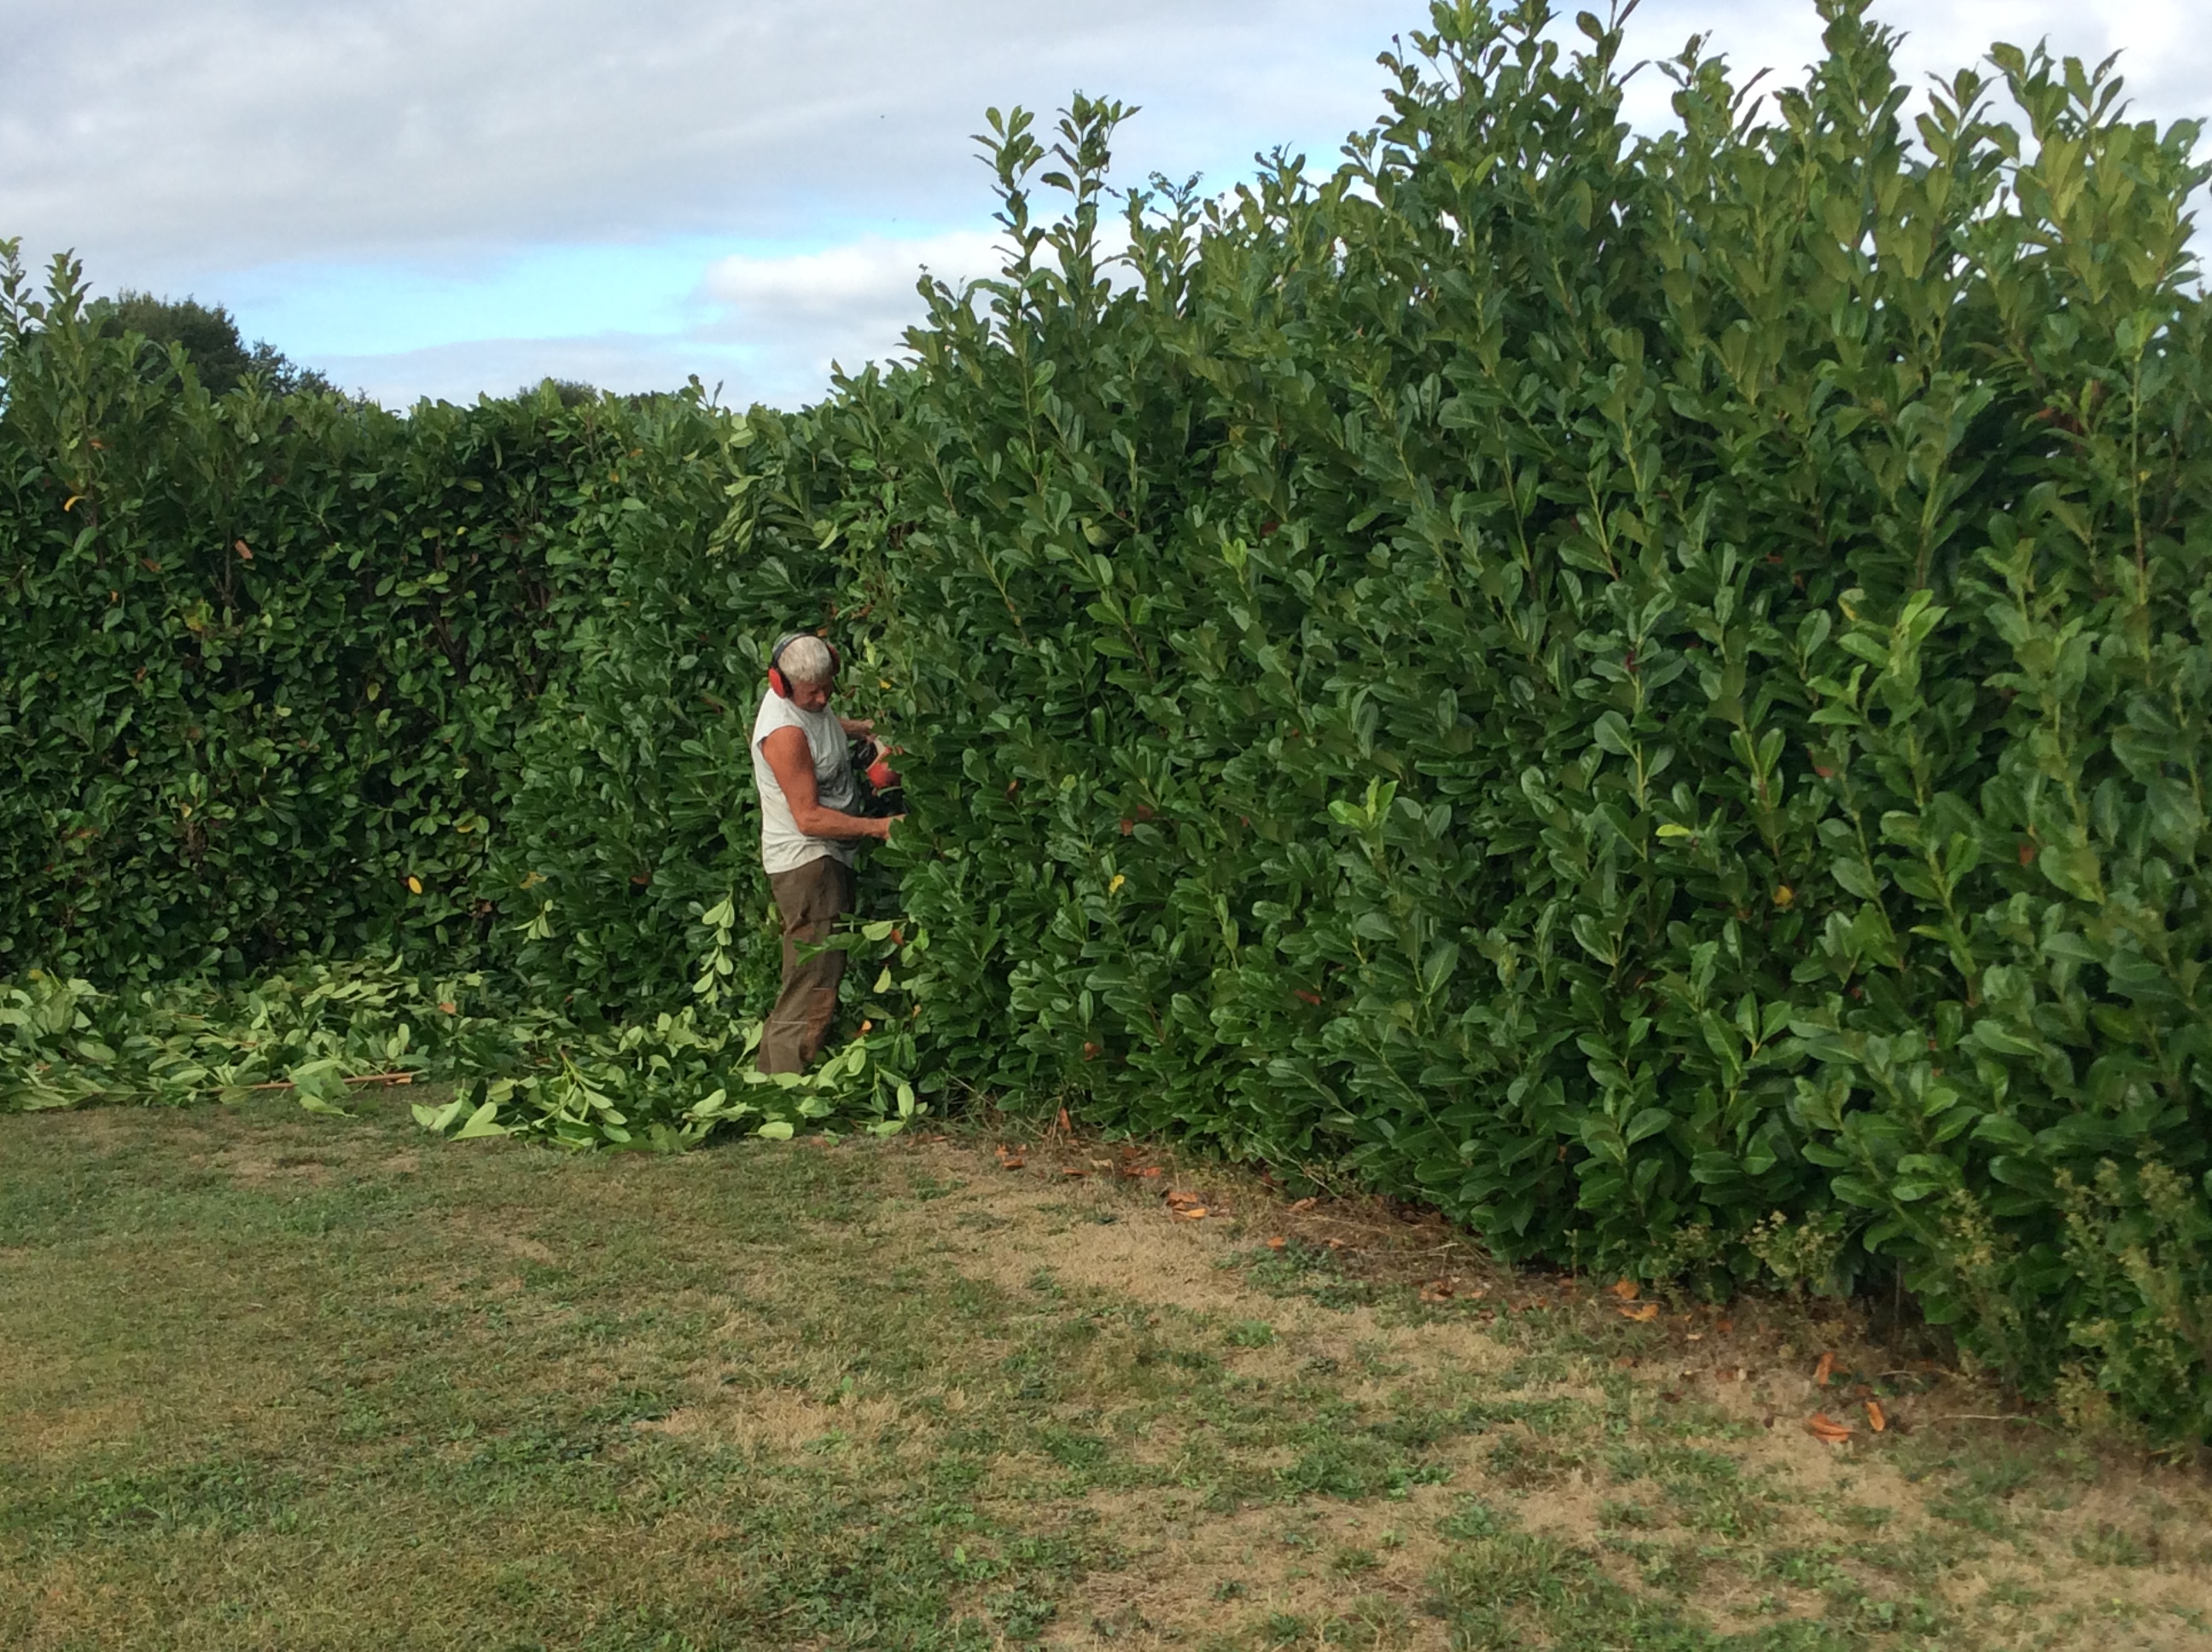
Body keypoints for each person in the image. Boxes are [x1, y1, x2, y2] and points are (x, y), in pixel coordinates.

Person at [750, 632, 897, 1073]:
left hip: (826, 858)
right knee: (812, 975)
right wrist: (880, 827)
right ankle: (782, 1082)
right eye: (811, 692)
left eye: (827, 687)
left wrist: (865, 729)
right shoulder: (784, 735)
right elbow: (809, 818)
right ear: (781, 684)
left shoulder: (811, 701)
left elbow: (825, 723)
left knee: (820, 969)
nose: (821, 698)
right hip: (808, 862)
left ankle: (785, 1073)